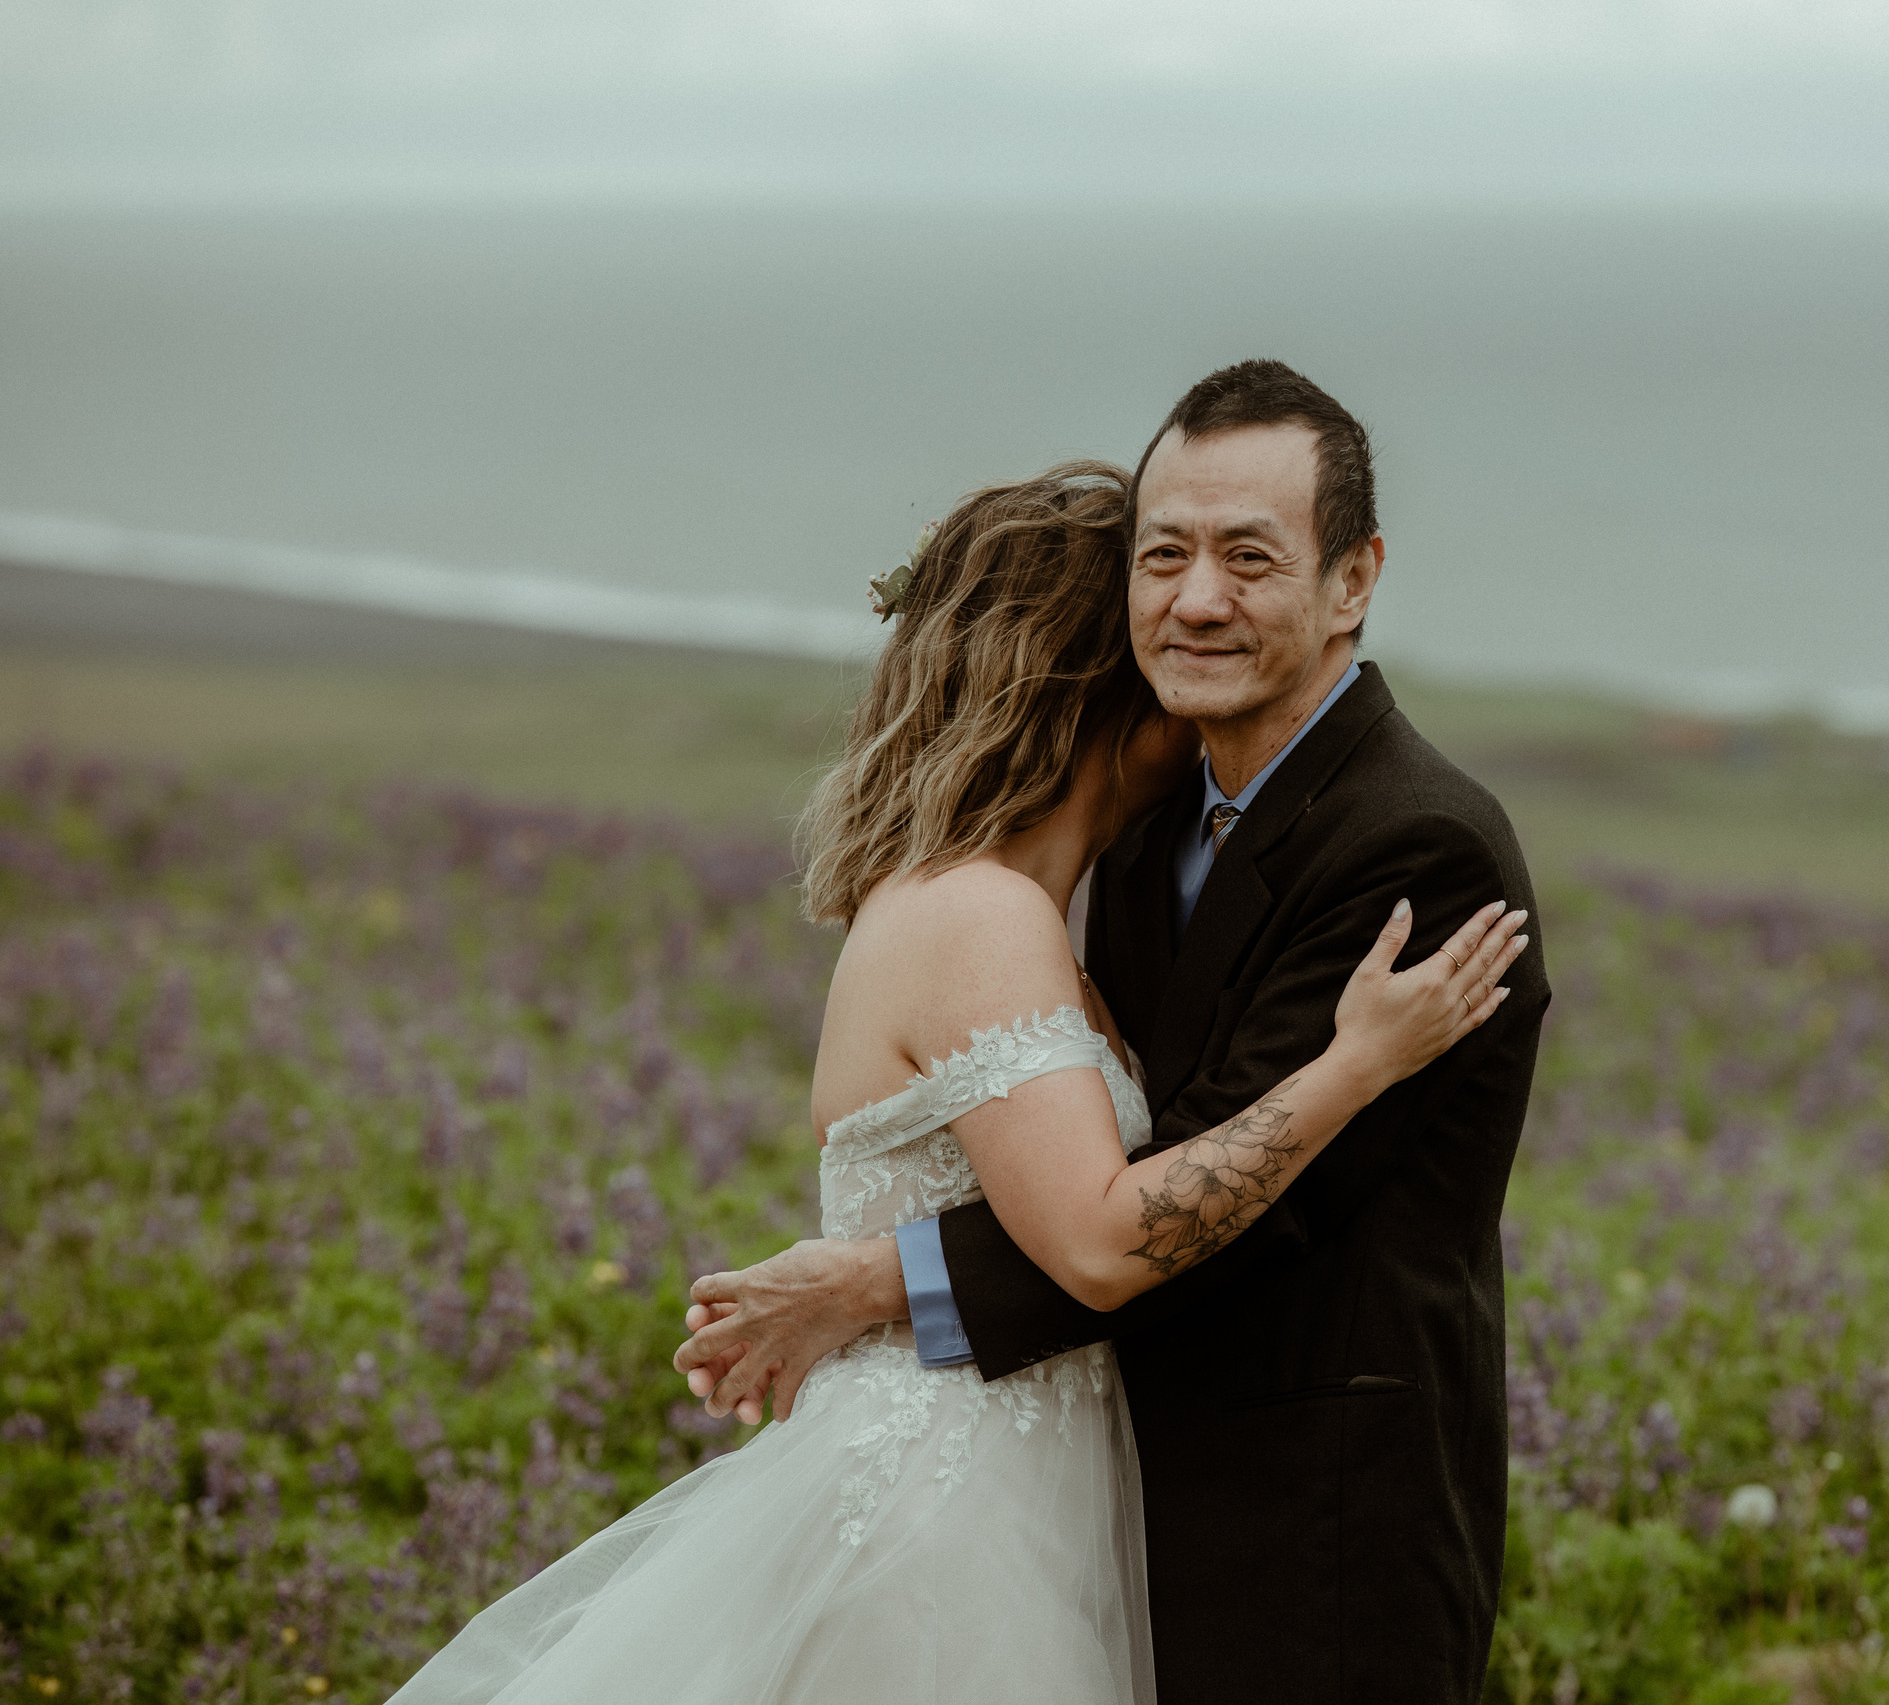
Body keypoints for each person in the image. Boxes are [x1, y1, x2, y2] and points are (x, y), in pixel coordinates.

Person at [390, 456, 1528, 1704]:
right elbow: (1102, 1239)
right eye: (1155, 622)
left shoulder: (1071, 893)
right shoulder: (982, 917)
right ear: (1099, 683)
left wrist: (882, 1279)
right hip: (959, 1488)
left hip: (1054, 1474)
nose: (1191, 644)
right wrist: (1353, 1064)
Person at [680, 362, 1552, 1705]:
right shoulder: (1139, 844)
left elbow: (1245, 1206)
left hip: (1311, 1531)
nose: (1198, 596)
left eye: (1249, 556)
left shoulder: (1413, 843)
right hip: (1081, 1507)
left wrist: (883, 1280)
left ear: (1352, 580)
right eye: (1166, 555)